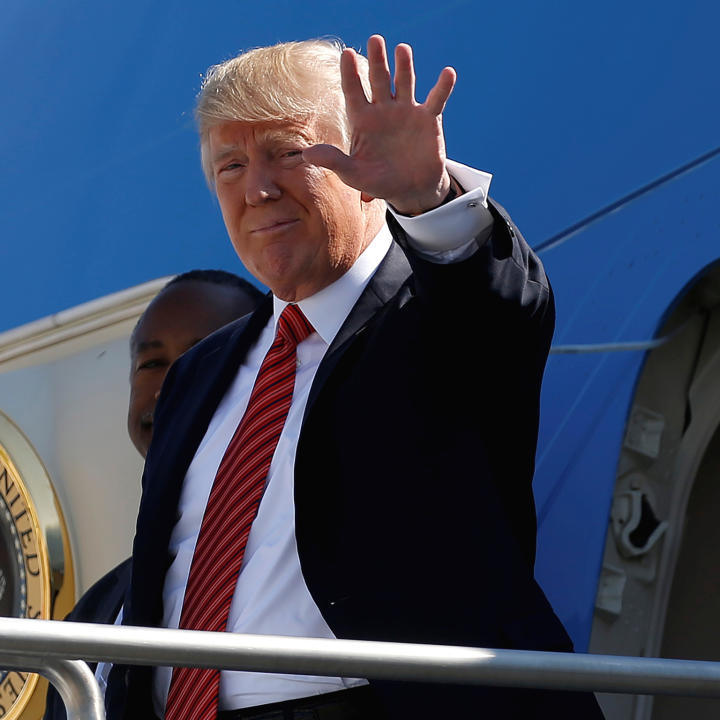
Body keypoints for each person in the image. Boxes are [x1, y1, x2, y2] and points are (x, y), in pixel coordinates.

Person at [107, 35, 605, 719]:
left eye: (287, 152)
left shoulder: (434, 313)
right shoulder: (201, 372)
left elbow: (498, 305)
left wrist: (428, 197)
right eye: (231, 165)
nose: (257, 188)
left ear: (364, 162)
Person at [43, 270, 264, 720]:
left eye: (204, 356)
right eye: (151, 364)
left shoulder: (293, 564)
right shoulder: (98, 610)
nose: (171, 384)